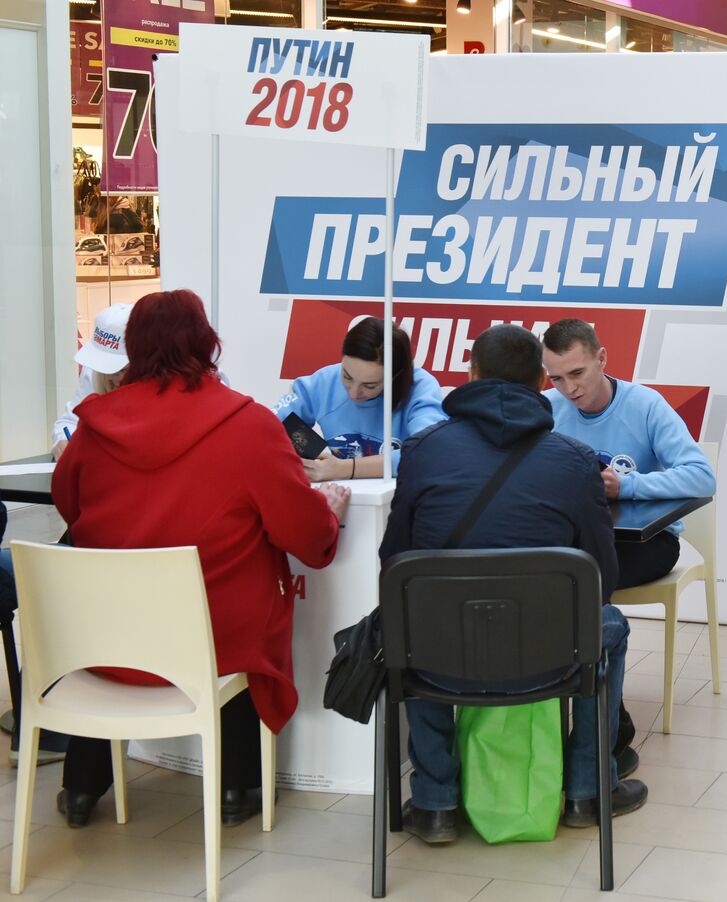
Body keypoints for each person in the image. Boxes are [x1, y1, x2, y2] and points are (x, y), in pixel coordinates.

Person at [50, 289, 348, 828]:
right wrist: (328, 515)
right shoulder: (249, 424)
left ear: (133, 349)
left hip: (109, 639)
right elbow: (305, 537)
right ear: (208, 345)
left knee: (130, 616)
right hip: (214, 641)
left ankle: (81, 787)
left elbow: (69, 508)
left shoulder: (92, 427)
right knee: (235, 609)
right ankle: (237, 787)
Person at [380, 324, 644, 845]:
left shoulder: (422, 452)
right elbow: (602, 578)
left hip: (440, 662)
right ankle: (589, 791)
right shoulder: (573, 460)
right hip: (549, 661)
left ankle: (435, 803)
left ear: (472, 374)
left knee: (411, 619)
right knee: (609, 626)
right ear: (537, 382)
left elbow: (394, 563)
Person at [542, 319, 716, 591]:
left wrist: (627, 485)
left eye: (577, 373)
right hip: (572, 535)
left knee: (573, 580)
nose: (568, 388)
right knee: (531, 569)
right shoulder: (545, 407)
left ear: (601, 359)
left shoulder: (646, 404)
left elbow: (702, 477)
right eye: (556, 378)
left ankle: (602, 632)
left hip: (646, 542)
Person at [274, 317, 447, 481]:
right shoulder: (323, 382)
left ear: (395, 377)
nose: (354, 393)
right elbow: (270, 426)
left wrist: (343, 469)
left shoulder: (421, 388)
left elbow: (428, 453)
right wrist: (313, 452)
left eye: (369, 385)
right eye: (347, 376)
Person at [52, 304, 132, 460]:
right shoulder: (92, 370)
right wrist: (61, 440)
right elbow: (69, 420)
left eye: (122, 370)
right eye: (104, 369)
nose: (111, 377)